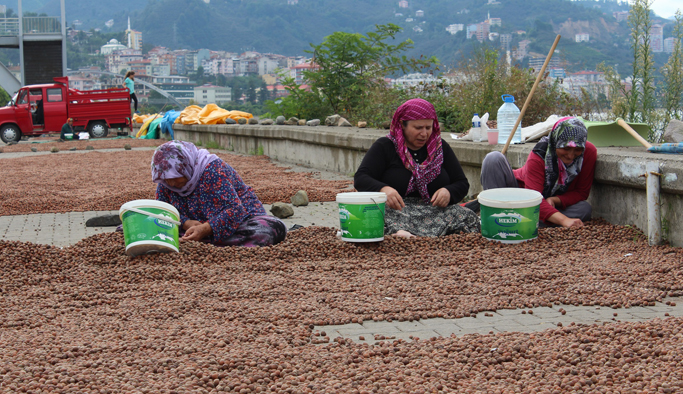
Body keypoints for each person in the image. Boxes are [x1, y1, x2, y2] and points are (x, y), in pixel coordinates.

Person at [354, 98, 480, 238]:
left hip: (433, 211)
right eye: (418, 128)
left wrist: (448, 192)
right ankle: (405, 234)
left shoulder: (440, 147)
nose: (424, 133)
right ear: (402, 124)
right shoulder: (385, 146)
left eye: (428, 127)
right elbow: (361, 178)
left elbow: (461, 182)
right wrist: (383, 190)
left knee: (466, 216)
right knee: (375, 214)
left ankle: (411, 236)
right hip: (397, 210)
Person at [152, 140, 287, 247]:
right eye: (166, 179)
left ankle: (199, 241)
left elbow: (235, 210)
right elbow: (162, 211)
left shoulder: (213, 170)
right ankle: (198, 240)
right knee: (155, 227)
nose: (172, 184)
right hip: (194, 227)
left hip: (238, 223)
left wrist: (206, 228)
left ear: (186, 166)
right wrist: (185, 223)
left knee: (271, 228)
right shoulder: (166, 181)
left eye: (175, 177)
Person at [470, 116, 597, 228]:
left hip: (546, 202)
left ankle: (511, 220)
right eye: (566, 148)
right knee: (493, 159)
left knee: (584, 209)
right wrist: (564, 220)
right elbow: (533, 198)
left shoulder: (588, 153)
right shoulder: (539, 155)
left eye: (577, 150)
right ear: (555, 142)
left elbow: (581, 192)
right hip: (520, 193)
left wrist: (556, 200)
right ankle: (497, 214)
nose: (570, 155)